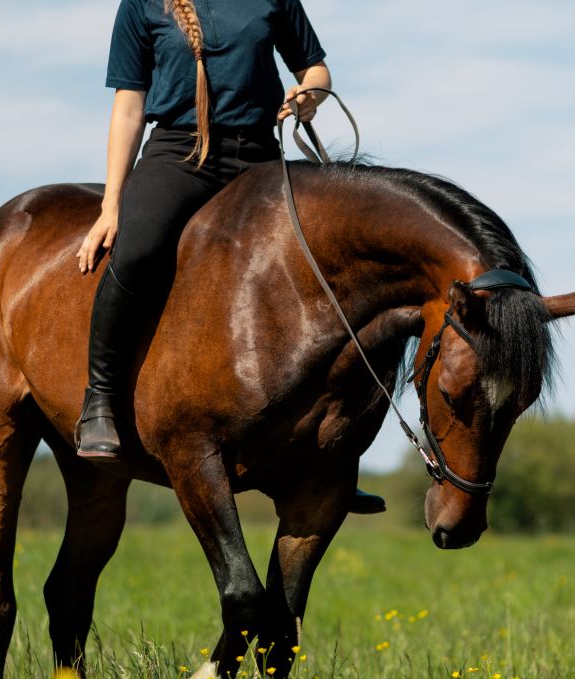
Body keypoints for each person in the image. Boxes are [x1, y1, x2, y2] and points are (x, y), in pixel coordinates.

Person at [75, 0, 383, 513]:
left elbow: (315, 66)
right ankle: (100, 400)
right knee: (135, 251)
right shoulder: (142, 5)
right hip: (179, 153)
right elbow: (130, 106)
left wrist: (312, 94)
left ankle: (328, 450)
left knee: (324, 265)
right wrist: (111, 205)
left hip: (258, 156)